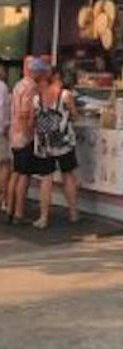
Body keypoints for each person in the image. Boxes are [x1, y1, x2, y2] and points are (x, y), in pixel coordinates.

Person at [31, 67, 79, 229]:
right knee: (68, 175)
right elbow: (74, 116)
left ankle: (43, 217)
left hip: (44, 144)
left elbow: (33, 120)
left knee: (46, 179)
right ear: (57, 77)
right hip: (63, 142)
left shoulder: (37, 98)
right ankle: (73, 213)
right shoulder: (65, 95)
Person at [6, 56, 50, 225]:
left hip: (14, 133)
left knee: (16, 172)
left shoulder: (18, 85)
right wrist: (29, 131)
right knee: (24, 174)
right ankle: (19, 213)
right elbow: (25, 113)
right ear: (36, 72)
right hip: (23, 135)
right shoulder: (31, 88)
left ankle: (9, 209)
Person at [0, 74, 10, 215]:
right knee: (4, 164)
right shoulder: (2, 87)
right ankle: (3, 199)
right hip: (0, 133)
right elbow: (3, 111)